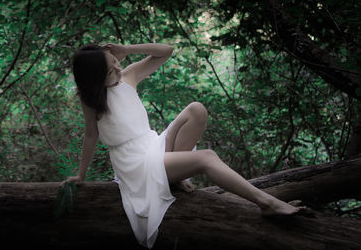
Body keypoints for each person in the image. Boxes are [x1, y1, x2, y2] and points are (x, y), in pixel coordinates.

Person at [61, 42, 306, 249]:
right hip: (135, 164)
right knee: (206, 157)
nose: (117, 66)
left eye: (114, 60)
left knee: (196, 109)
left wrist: (127, 48)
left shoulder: (128, 77)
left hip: (152, 144)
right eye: (109, 69)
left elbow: (166, 51)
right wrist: (80, 175)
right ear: (94, 78)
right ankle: (267, 203)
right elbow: (91, 135)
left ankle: (173, 175)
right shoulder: (91, 100)